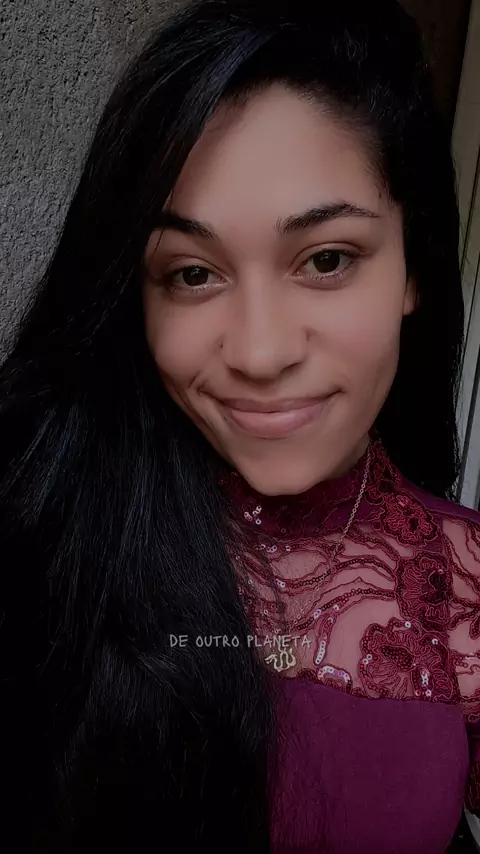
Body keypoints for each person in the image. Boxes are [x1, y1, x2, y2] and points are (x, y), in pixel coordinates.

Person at [1, 0, 479, 851]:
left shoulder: (466, 579)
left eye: (326, 259)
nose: (259, 353)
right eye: (192, 273)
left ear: (414, 268)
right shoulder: (45, 513)